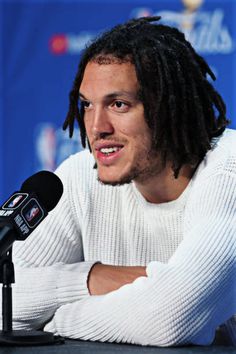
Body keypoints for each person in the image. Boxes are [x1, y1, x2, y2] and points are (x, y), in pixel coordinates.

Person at [12, 17, 235, 346]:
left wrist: (55, 322)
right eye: (87, 105)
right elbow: (7, 296)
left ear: (166, 107)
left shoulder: (228, 170)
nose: (97, 127)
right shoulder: (79, 176)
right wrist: (91, 277)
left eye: (118, 104)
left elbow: (169, 316)